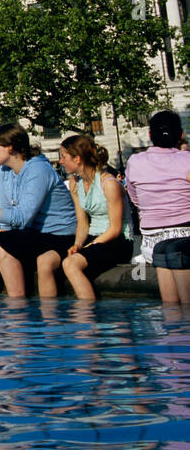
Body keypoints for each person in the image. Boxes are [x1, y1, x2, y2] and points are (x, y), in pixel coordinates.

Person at [0, 124, 78, 298]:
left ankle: (17, 304)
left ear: (10, 147)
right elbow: (9, 220)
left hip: (59, 234)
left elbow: (21, 218)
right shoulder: (4, 171)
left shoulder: (38, 169)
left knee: (3, 246)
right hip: (34, 233)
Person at [36, 135, 129, 299]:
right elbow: (82, 223)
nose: (61, 162)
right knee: (44, 260)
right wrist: (78, 244)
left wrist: (89, 246)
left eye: (63, 157)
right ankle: (49, 319)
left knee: (70, 264)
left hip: (117, 241)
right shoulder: (75, 184)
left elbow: (115, 229)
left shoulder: (109, 184)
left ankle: (87, 317)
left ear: (77, 159)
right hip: (93, 238)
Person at [122, 109, 190, 306]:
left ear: (150, 135)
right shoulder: (187, 160)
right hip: (185, 237)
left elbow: (135, 200)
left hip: (152, 244)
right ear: (182, 135)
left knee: (171, 308)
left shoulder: (134, 162)